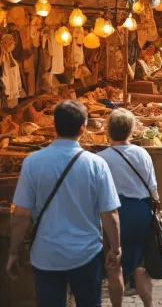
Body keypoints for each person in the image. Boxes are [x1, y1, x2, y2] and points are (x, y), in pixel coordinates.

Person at [7, 99, 121, 307]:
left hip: (46, 255)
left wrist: (14, 252)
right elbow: (109, 213)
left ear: (54, 127)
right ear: (83, 128)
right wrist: (115, 248)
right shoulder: (96, 164)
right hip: (86, 253)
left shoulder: (33, 162)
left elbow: (21, 215)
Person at [101, 108, 159, 307]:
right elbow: (153, 188)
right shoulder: (142, 153)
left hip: (114, 213)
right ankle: (148, 305)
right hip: (142, 211)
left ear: (108, 131)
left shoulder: (101, 158)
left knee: (114, 264)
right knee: (141, 265)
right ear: (131, 130)